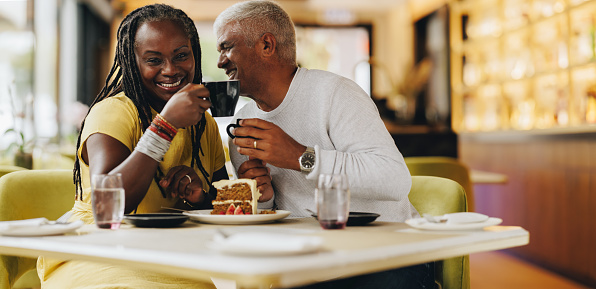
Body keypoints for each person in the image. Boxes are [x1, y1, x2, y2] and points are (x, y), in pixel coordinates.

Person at [214, 1, 434, 288]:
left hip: (386, 256)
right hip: (310, 264)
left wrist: (300, 157)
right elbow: (275, 214)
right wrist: (263, 197)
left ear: (266, 45)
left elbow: (395, 179)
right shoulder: (243, 124)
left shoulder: (335, 94)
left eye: (226, 47)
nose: (220, 62)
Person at [38, 4, 224, 288]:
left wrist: (200, 196)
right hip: (96, 251)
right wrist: (165, 125)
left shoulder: (203, 125)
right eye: (153, 60)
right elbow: (108, 205)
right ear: (132, 62)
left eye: (181, 56)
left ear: (194, 55)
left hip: (170, 257)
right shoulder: (113, 112)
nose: (171, 70)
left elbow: (224, 207)